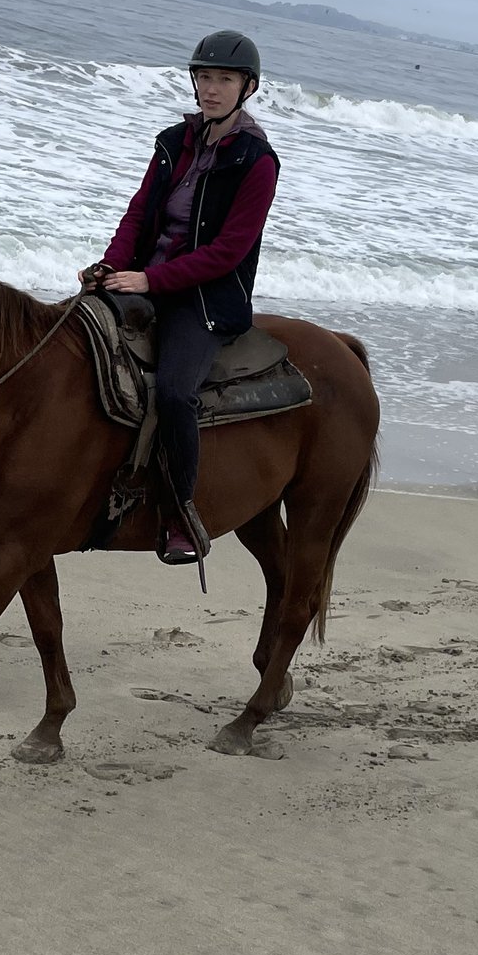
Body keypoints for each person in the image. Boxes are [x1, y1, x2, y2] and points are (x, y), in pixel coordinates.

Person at [82, 30, 281, 566]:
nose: (212, 89)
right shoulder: (174, 141)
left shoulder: (257, 162)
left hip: (206, 301)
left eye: (225, 79)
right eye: (204, 77)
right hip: (145, 278)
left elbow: (228, 252)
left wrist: (149, 282)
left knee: (173, 393)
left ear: (248, 88)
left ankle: (180, 513)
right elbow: (139, 212)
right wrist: (113, 265)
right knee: (76, 335)